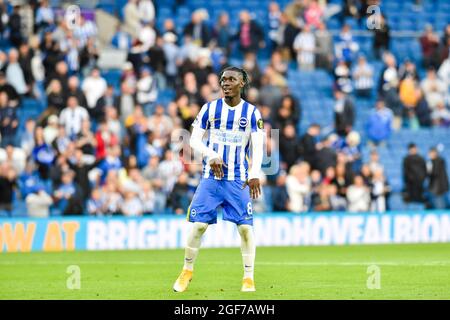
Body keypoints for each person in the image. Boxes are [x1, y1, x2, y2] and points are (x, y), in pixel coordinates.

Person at [173, 67, 265, 293]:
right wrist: (211, 154)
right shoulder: (210, 108)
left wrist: (253, 173)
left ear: (242, 83)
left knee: (245, 229)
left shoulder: (252, 113)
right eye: (223, 80)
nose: (225, 83)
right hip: (211, 179)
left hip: (238, 180)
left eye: (231, 79)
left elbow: (258, 146)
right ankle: (187, 270)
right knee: (199, 226)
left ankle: (248, 277)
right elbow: (193, 139)